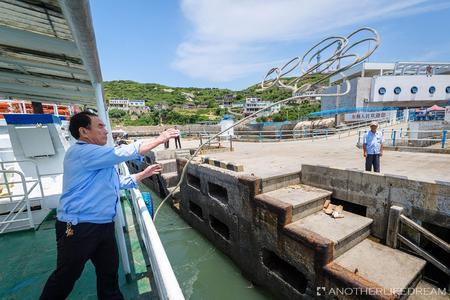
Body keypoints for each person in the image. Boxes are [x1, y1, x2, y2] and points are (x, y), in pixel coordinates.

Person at [40, 111, 179, 300]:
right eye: (100, 126)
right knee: (66, 277)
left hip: (103, 226)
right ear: (83, 131)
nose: (106, 131)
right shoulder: (82, 152)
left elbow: (114, 182)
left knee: (109, 277)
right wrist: (161, 138)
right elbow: (125, 152)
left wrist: (143, 174)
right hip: (78, 227)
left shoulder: (97, 157)